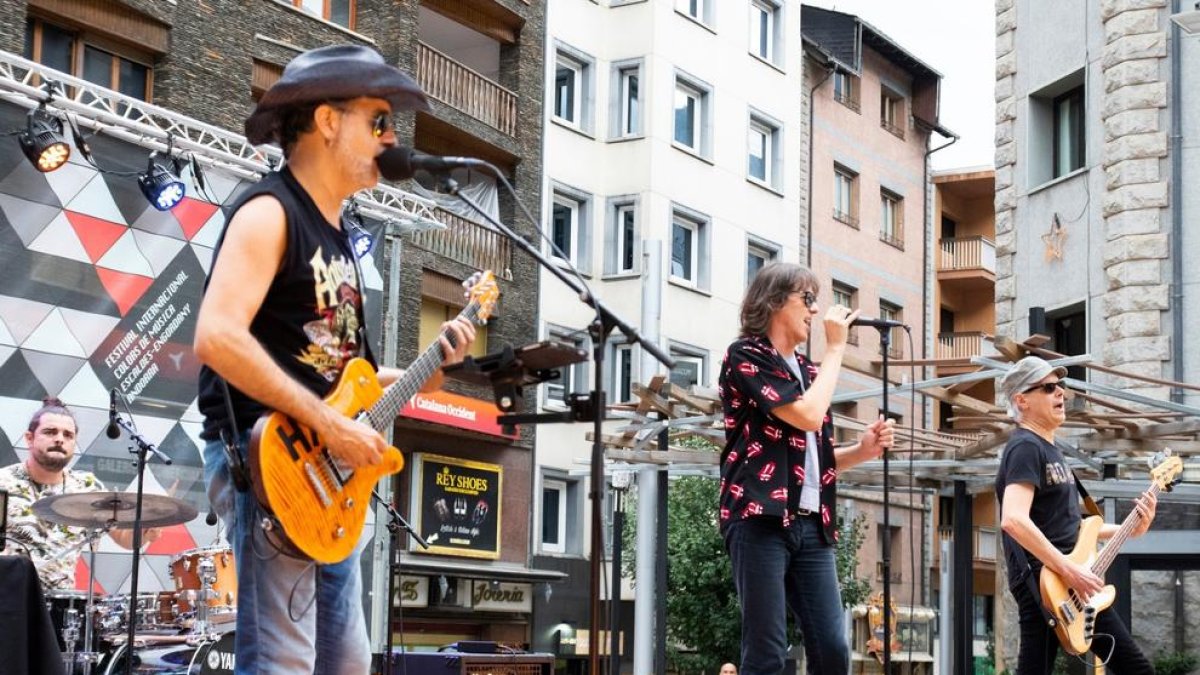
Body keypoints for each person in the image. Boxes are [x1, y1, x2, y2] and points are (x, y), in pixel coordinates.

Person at [193, 44, 475, 674]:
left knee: (346, 663)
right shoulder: (270, 212)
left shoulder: (343, 236)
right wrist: (329, 425)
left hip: (329, 472)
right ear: (326, 121)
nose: (391, 137)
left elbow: (346, 379)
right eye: (377, 121)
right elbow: (216, 337)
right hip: (274, 461)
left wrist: (431, 364)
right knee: (282, 663)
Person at [718, 262, 894, 675]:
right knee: (767, 652)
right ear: (774, 301)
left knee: (833, 650)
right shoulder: (746, 354)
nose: (815, 311)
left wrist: (862, 450)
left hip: (813, 524)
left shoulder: (810, 372)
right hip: (760, 517)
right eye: (808, 299)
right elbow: (809, 416)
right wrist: (836, 348)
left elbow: (814, 455)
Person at [996, 356, 1156, 675]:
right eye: (1050, 387)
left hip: (1069, 583)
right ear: (1022, 400)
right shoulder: (1025, 447)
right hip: (1049, 583)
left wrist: (1130, 528)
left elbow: (1074, 529)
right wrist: (1069, 570)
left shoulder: (1051, 451)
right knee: (1137, 670)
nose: (1061, 393)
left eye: (1062, 386)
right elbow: (1013, 519)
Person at [0, 397, 161, 589]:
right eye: (50, 432)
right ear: (29, 438)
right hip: (7, 601)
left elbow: (124, 538)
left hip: (62, 607)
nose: (60, 439)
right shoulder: (3, 482)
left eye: (68, 435)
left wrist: (145, 531)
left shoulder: (86, 485)